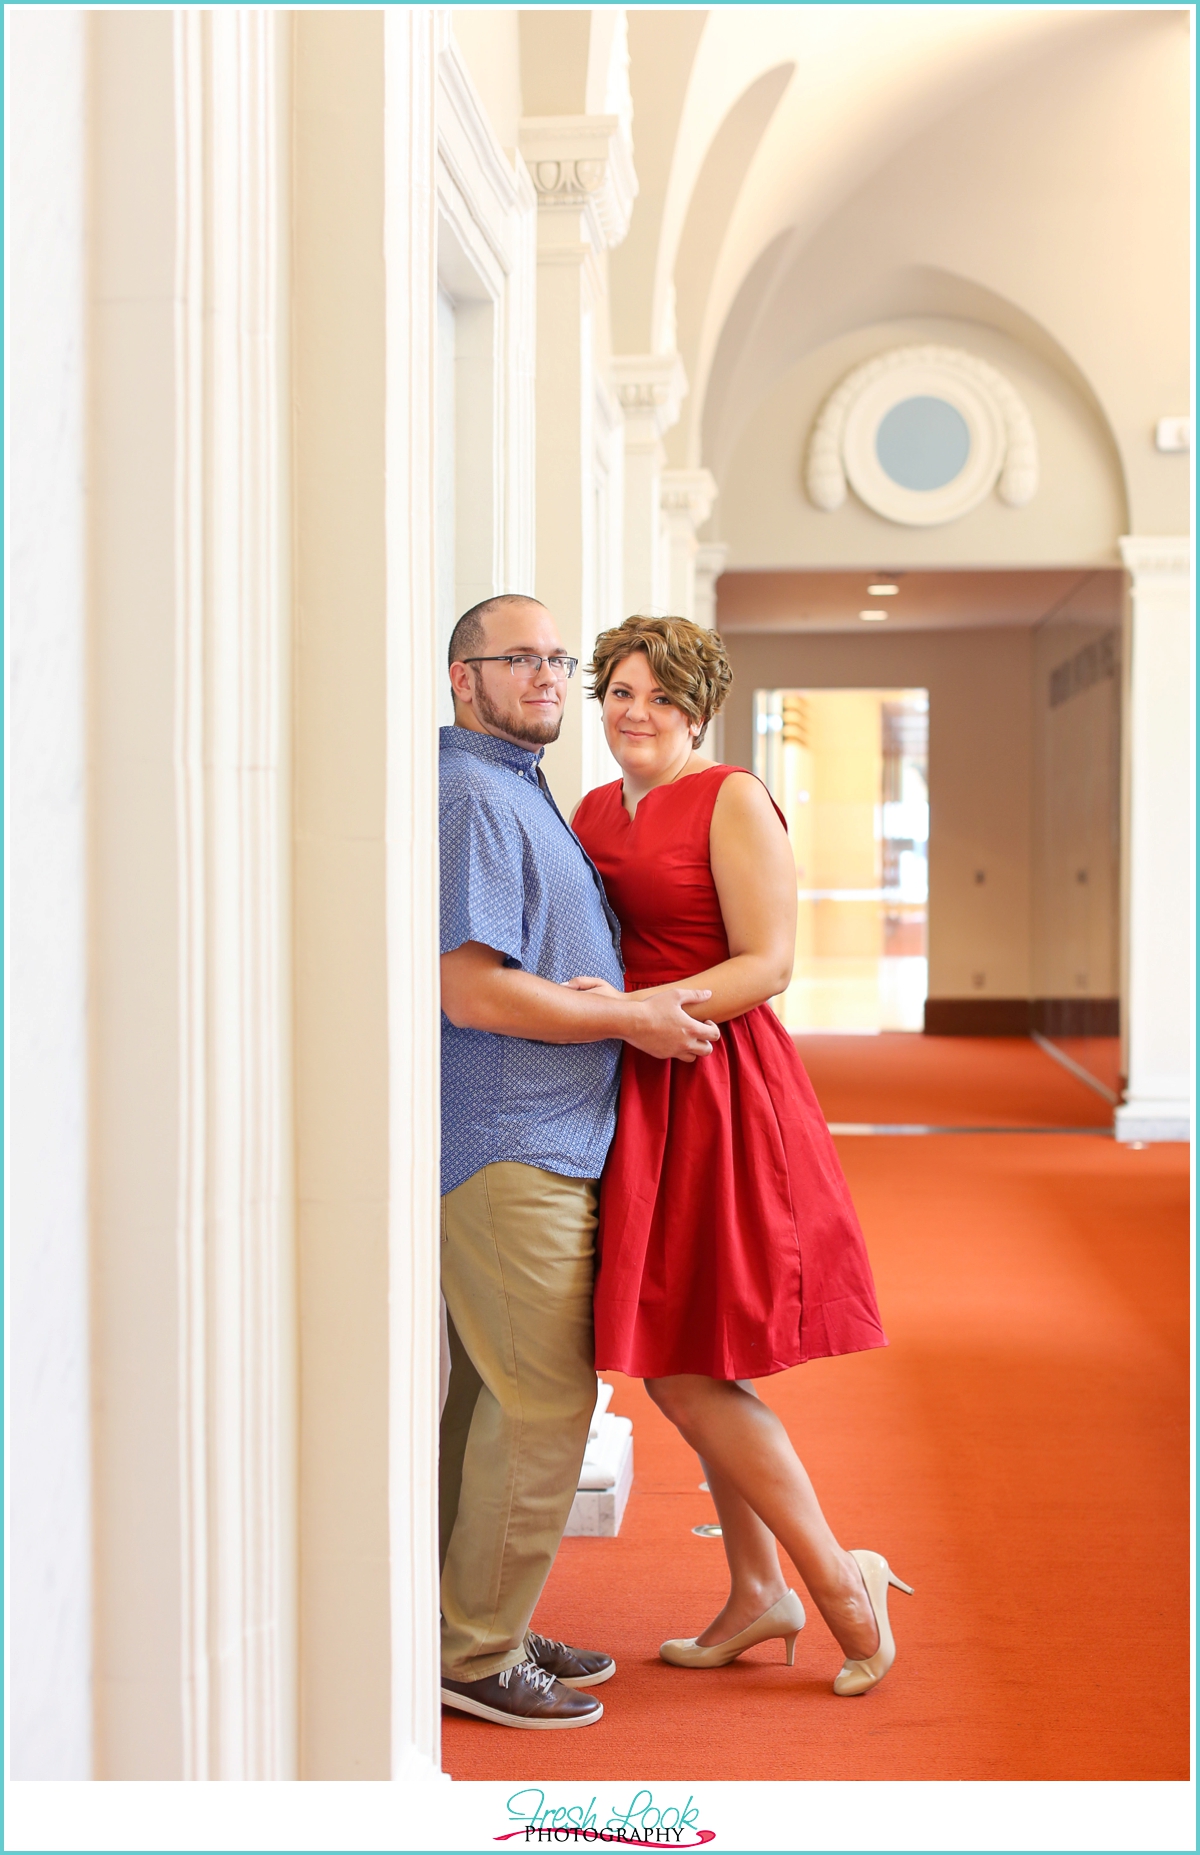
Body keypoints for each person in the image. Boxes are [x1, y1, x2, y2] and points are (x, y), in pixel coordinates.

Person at [570, 614, 912, 1698]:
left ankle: (838, 1583)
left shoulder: (731, 798)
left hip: (718, 1079)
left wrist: (637, 1007)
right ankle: (754, 1591)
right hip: (638, 1082)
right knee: (689, 1342)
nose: (637, 712)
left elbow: (768, 964)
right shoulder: (589, 807)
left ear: (699, 708)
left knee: (681, 1359)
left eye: (661, 696)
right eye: (621, 690)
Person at [437, 594, 721, 1731]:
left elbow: (528, 966)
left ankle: (473, 1616)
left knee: (493, 1403)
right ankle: (474, 1651)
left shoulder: (517, 784)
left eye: (559, 657)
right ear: (464, 679)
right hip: (513, 1141)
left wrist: (594, 996)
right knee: (548, 1403)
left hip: (549, 1136)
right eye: (522, 658)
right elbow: (468, 989)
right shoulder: (472, 794)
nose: (550, 675)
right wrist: (627, 1018)